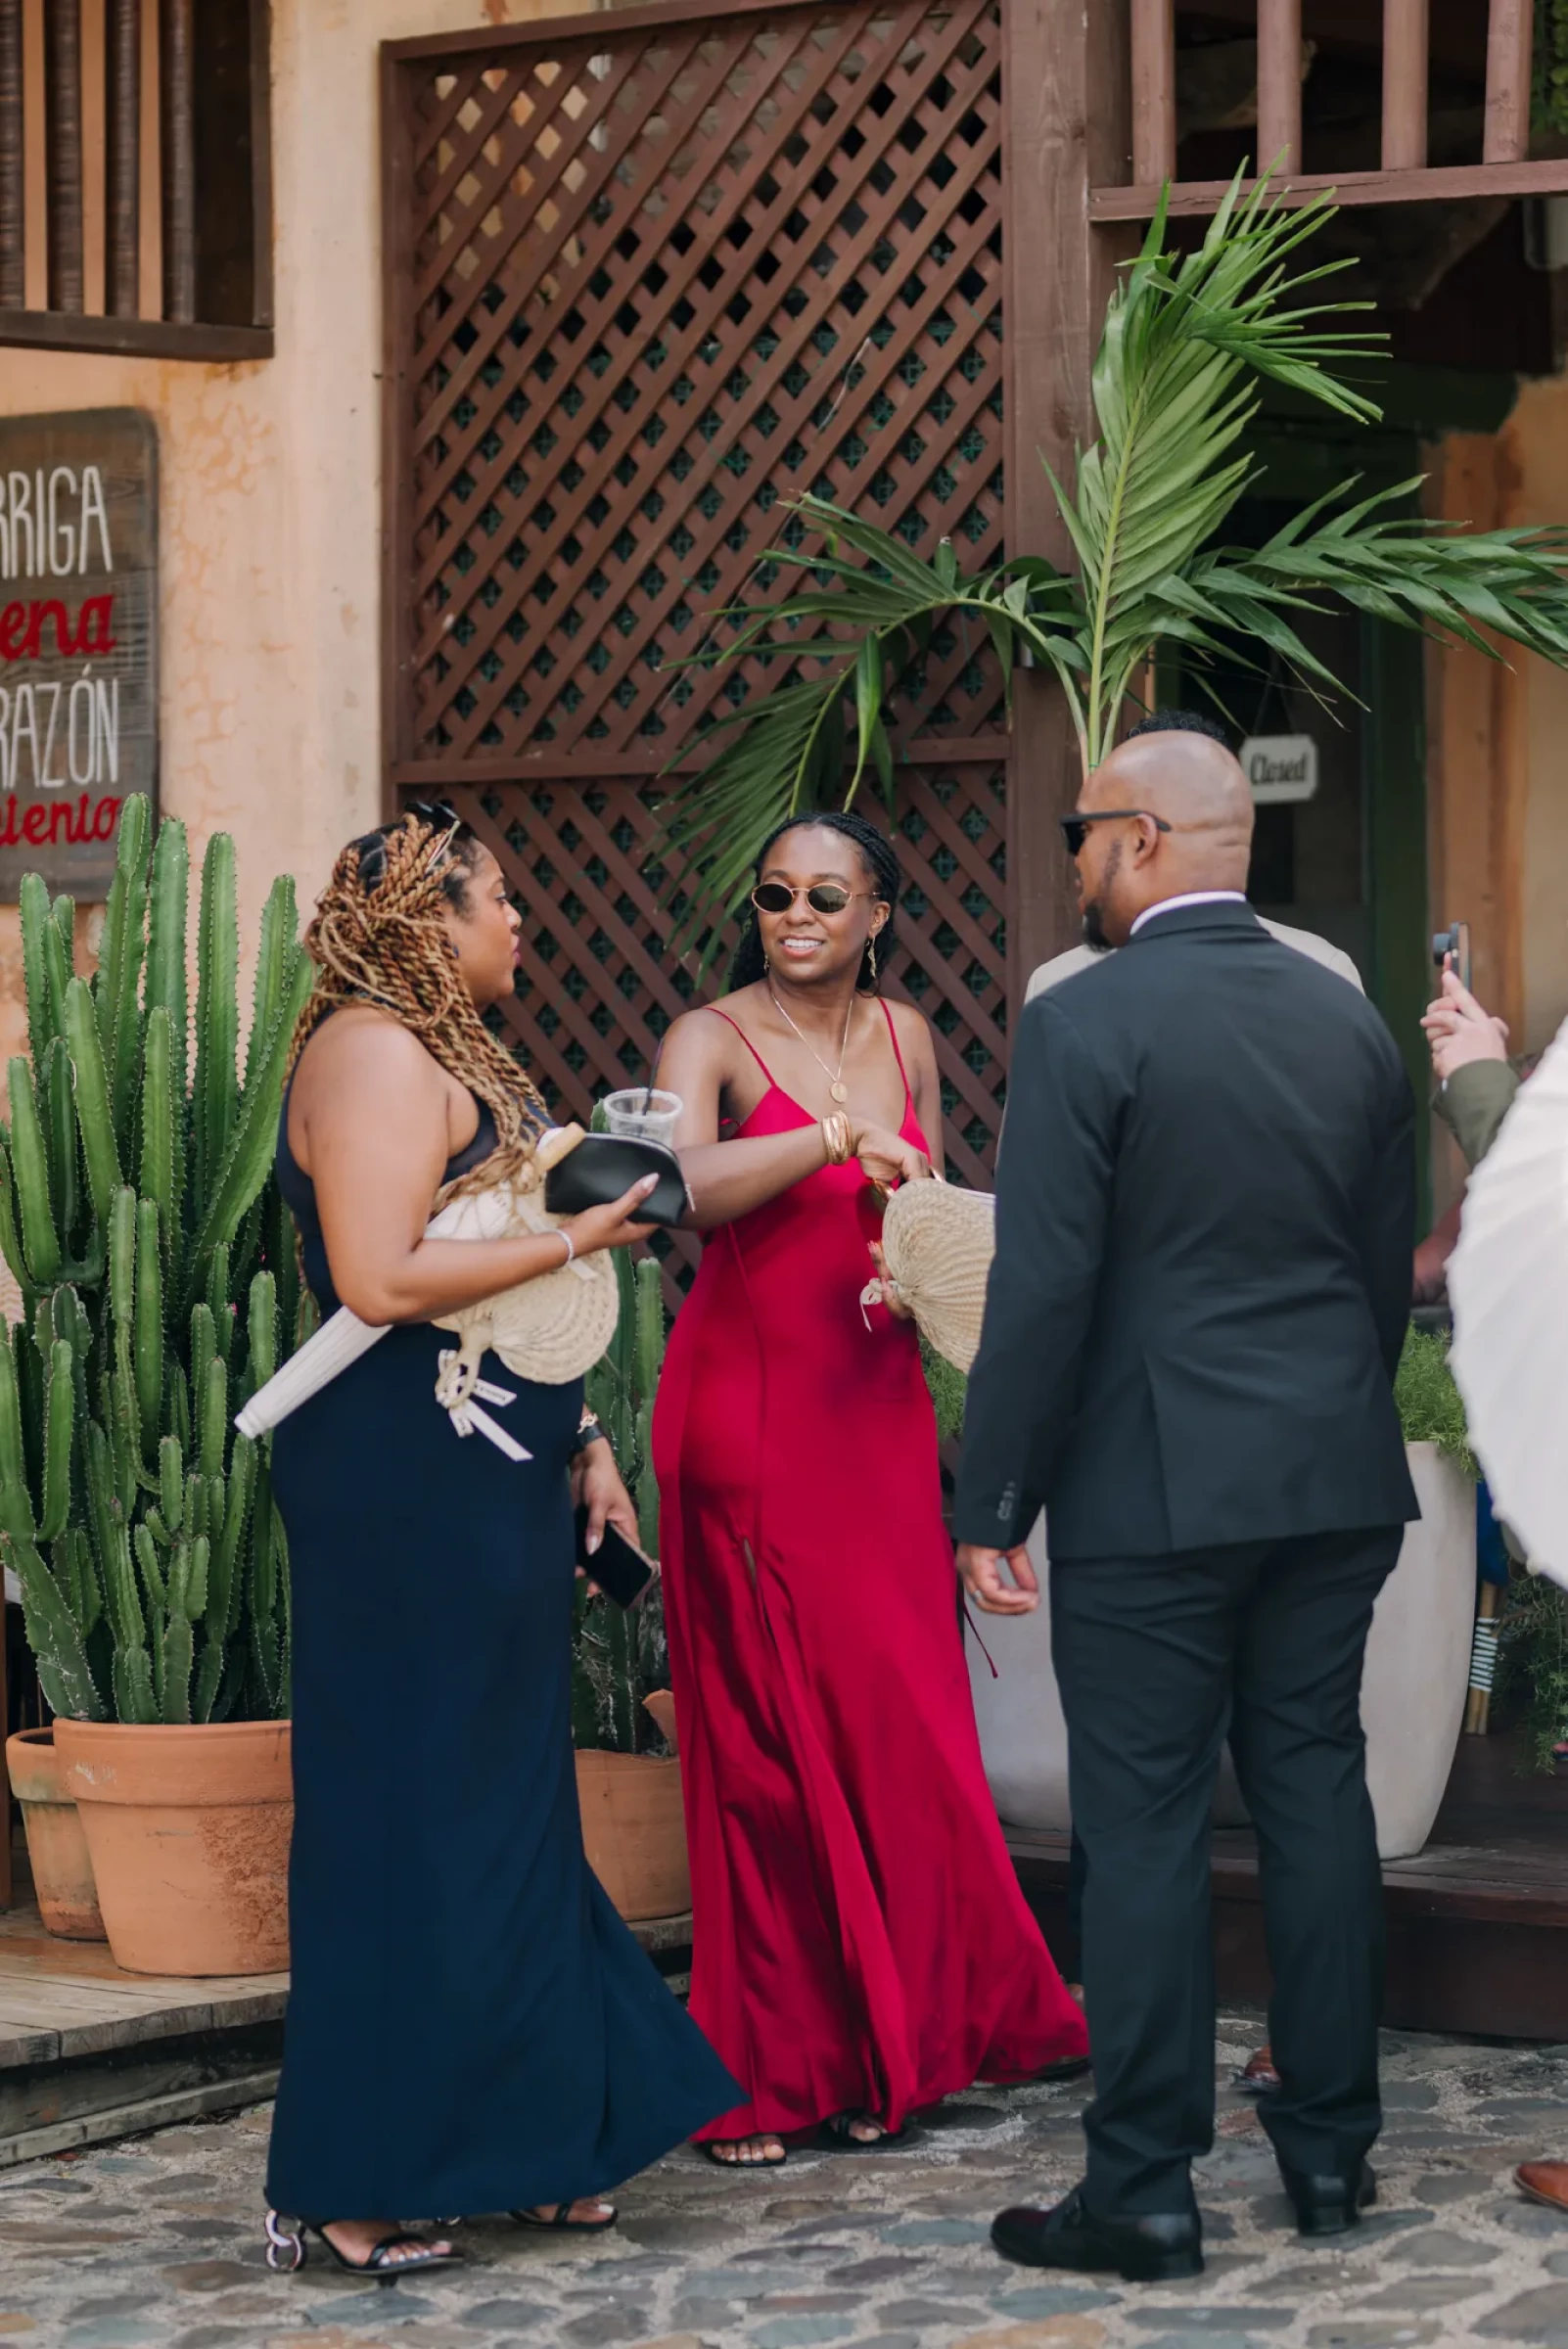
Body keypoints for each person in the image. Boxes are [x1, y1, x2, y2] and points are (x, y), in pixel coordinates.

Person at [953, 729, 1417, 2282]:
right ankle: (1331, 2151)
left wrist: (991, 1499)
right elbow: (1375, 1269)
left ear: (1141, 838)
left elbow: (1043, 1286)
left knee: (1142, 1825)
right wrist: (1324, 1423)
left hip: (1154, 1484)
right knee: (1315, 1792)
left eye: (1082, 834)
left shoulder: (1085, 1018)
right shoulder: (1346, 1018)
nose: (1075, 863)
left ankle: (1143, 2187)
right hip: (1328, 1475)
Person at [262, 808, 737, 2280]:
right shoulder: (369, 1054)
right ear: (432, 917)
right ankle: (351, 2177)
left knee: (505, 1805)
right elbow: (381, 1276)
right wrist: (583, 1237)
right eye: (501, 898)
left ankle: (536, 2140)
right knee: (404, 1812)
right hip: (400, 1484)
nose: (519, 920)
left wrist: (582, 1439)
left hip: (496, 1462)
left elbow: (494, 1296)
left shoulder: (445, 1051)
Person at [651, 809, 1089, 2168]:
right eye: (776, 893)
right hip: (749, 1415)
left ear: (878, 914)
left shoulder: (906, 1035)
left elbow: (929, 1218)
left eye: (825, 896)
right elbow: (674, 1189)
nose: (795, 915)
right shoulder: (709, 1037)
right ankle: (770, 2069)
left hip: (877, 1406)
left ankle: (913, 2034)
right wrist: (832, 1141)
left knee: (902, 1723)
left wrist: (910, 1250)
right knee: (771, 1744)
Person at [1028, 711, 1365, 1004]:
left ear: (1141, 837)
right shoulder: (1322, 971)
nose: (1080, 856)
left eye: (1086, 832)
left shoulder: (1061, 990)